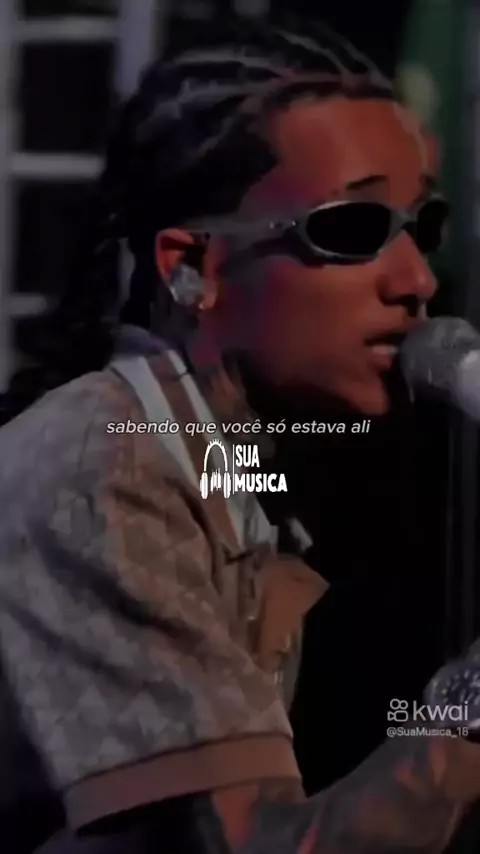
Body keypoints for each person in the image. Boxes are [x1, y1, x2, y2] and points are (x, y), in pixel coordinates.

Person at [0, 15, 478, 854]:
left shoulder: (233, 462)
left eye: (423, 227)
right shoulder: (101, 465)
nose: (417, 280)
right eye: (354, 229)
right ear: (193, 270)